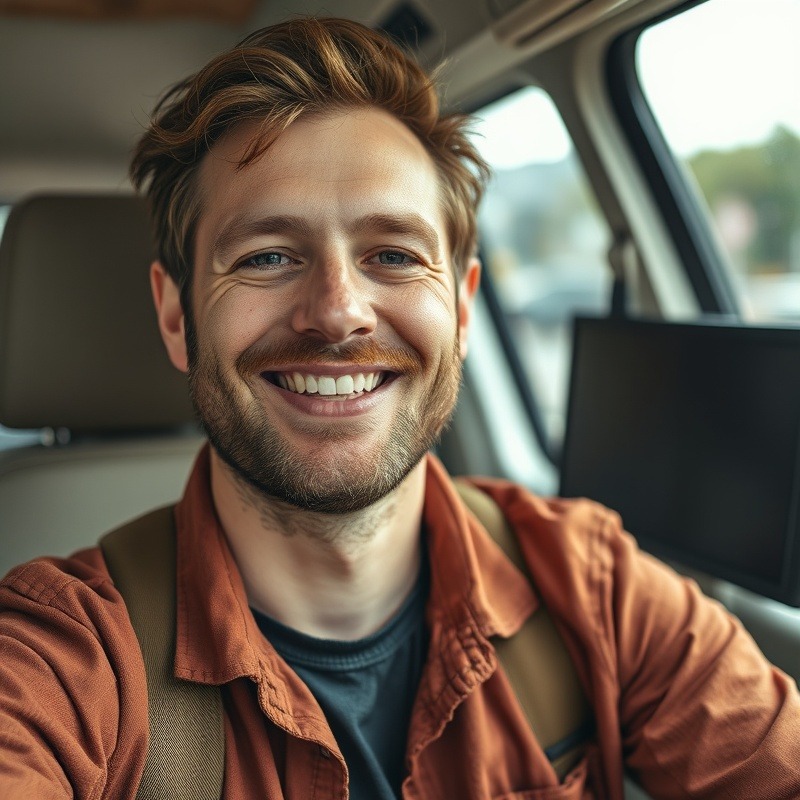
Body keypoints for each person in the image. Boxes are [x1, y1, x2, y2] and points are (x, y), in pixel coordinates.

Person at [0, 16, 798, 800]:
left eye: (393, 255)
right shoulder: (61, 660)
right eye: (267, 256)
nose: (338, 311)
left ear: (461, 308)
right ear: (176, 317)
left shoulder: (598, 591)